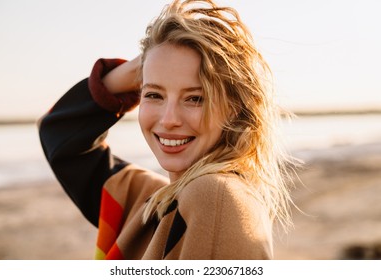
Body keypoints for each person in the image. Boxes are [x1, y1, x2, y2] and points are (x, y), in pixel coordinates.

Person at [38, 0, 295, 260]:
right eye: (153, 95)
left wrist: (155, 66)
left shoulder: (215, 196)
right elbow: (60, 135)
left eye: (195, 98)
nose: (169, 119)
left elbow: (60, 134)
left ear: (234, 108)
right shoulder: (148, 201)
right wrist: (148, 61)